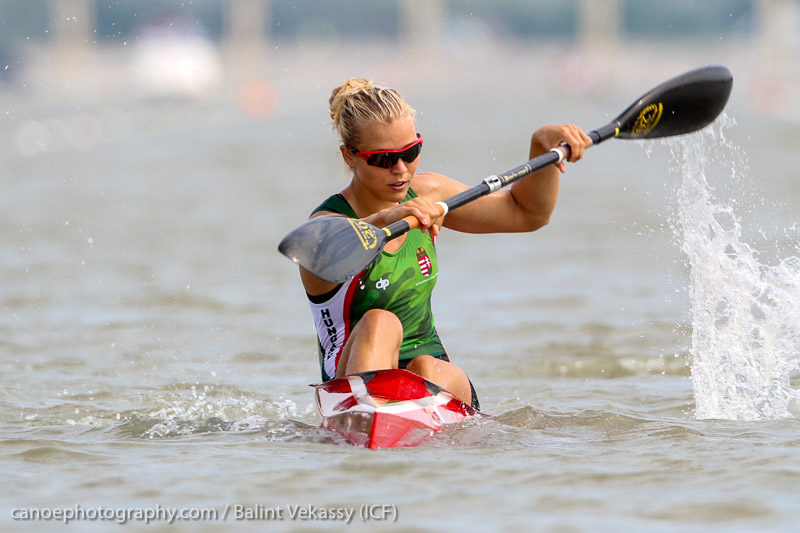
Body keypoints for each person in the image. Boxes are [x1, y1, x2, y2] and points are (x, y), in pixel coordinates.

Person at [299, 78, 590, 410]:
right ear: (349, 156)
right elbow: (317, 245)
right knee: (381, 322)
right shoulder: (326, 228)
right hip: (353, 386)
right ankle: (372, 417)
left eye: (411, 153)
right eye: (383, 159)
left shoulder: (429, 194)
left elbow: (528, 214)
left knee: (425, 366)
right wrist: (388, 217)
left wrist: (543, 148)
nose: (401, 169)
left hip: (433, 380)